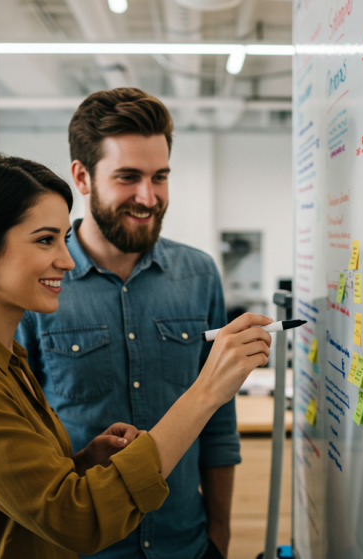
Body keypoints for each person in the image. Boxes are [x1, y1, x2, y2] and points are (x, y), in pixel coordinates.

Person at [0, 153, 271, 559]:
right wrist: (206, 392)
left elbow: (21, 500)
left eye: (63, 238)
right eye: (45, 240)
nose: (66, 260)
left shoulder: (1, 357)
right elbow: (74, 518)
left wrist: (81, 464)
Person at [15, 88, 236, 559]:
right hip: (83, 550)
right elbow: (24, 441)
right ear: (82, 177)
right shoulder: (36, 286)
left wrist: (220, 535)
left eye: (160, 177)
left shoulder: (199, 276)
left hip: (186, 544)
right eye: (128, 177)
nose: (148, 196)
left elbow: (218, 425)